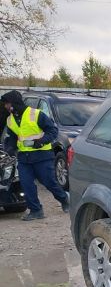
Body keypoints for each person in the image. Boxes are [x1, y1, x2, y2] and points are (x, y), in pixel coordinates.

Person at [1, 90, 68, 220]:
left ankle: (64, 199)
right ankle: (36, 210)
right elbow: (12, 138)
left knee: (49, 182)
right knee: (26, 185)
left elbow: (53, 131)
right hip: (24, 158)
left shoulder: (36, 114)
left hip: (42, 155)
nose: (5, 106)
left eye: (7, 103)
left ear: (14, 103)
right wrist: (9, 147)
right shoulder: (10, 120)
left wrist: (41, 141)